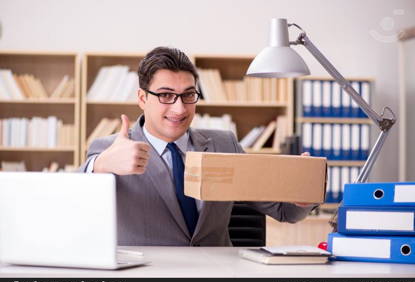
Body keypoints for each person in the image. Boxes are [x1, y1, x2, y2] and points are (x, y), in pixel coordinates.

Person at [79, 46, 317, 246]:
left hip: (217, 276)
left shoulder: (224, 144)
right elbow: (69, 202)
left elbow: (284, 211)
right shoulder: (111, 149)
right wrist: (100, 165)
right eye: (165, 95)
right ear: (142, 98)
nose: (179, 109)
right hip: (149, 277)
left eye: (188, 95)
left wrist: (302, 194)